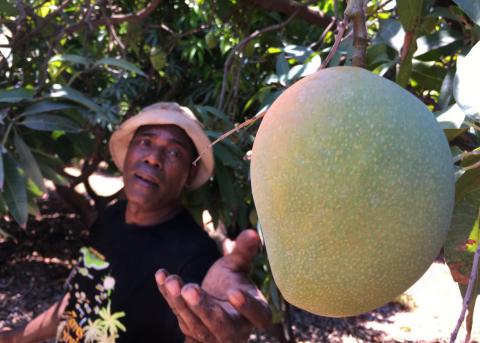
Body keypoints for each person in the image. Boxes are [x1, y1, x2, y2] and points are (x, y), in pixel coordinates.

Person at [0, 102, 271, 343]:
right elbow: (80, 297)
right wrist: (15, 337)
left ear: (189, 174)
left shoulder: (194, 257)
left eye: (174, 152)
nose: (153, 157)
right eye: (145, 142)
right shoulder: (111, 216)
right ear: (128, 152)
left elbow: (198, 327)